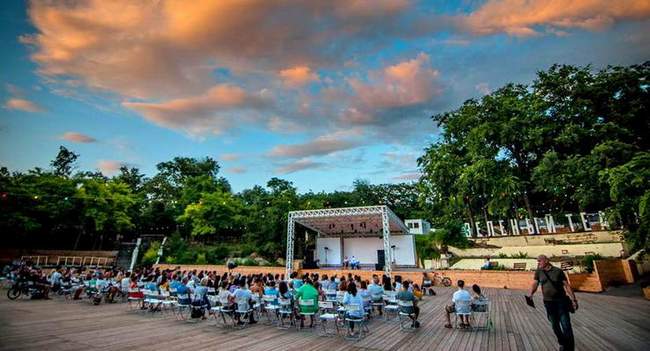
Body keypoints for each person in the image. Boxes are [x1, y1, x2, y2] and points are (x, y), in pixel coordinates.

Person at [528, 255, 578, 351]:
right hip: (548, 303)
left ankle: (569, 348)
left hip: (561, 302)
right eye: (537, 261)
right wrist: (531, 294)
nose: (538, 263)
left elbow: (566, 285)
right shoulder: (539, 271)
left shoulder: (558, 271)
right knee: (554, 325)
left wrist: (573, 300)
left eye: (539, 261)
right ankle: (562, 342)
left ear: (546, 261)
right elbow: (535, 283)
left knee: (566, 325)